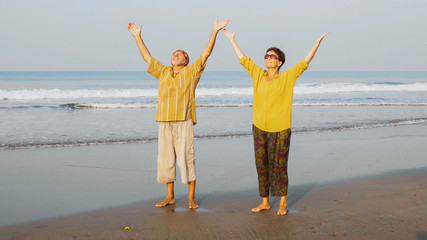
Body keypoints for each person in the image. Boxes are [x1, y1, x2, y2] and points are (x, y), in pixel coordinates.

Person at [223, 28, 330, 215]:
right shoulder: (258, 75)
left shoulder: (287, 77)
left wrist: (316, 44)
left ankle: (282, 202)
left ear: (279, 62)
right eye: (266, 56)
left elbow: (304, 63)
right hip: (259, 127)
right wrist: (232, 40)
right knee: (261, 164)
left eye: (272, 56)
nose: (268, 58)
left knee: (279, 166)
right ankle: (265, 202)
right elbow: (243, 59)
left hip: (280, 129)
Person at [128, 18, 229, 209]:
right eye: (175, 53)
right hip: (164, 121)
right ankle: (170, 197)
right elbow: (147, 58)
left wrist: (214, 31)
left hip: (184, 121)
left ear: (186, 61)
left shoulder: (192, 72)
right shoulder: (163, 71)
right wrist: (137, 37)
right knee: (165, 159)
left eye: (181, 54)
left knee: (186, 159)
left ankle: (191, 198)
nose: (177, 55)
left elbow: (206, 54)